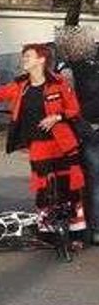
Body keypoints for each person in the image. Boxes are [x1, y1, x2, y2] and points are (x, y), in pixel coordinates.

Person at [0, 43, 88, 246]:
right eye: (23, 56)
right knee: (44, 189)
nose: (24, 59)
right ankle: (48, 233)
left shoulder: (59, 83)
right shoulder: (20, 85)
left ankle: (76, 234)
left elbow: (74, 109)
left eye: (28, 56)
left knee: (68, 189)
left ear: (41, 60)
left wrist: (57, 117)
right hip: (38, 146)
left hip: (63, 144)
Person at [55, 27, 99, 244]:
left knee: (88, 179)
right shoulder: (75, 67)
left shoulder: (69, 68)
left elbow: (65, 99)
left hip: (83, 128)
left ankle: (86, 227)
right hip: (88, 127)